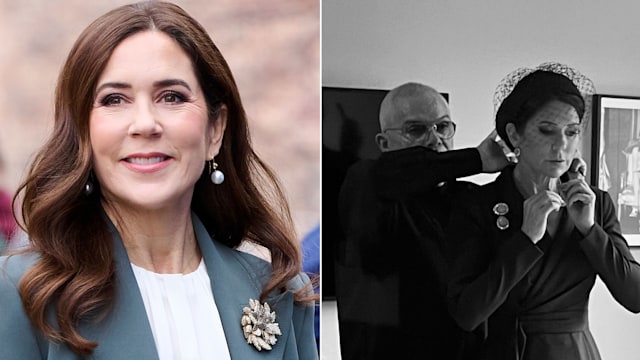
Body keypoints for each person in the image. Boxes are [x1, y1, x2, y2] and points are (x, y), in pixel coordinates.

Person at [0, 2, 318, 359]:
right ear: (83, 134)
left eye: (171, 97)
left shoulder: (280, 293)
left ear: (215, 129)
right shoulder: (21, 292)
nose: (145, 123)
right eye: (114, 99)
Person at [446, 62, 640, 360]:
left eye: (571, 132)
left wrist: (590, 230)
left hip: (573, 352)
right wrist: (525, 240)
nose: (561, 145)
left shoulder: (595, 203)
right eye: (546, 131)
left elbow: (634, 296)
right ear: (515, 135)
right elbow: (467, 314)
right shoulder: (478, 204)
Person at [335, 82, 509, 359]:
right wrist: (477, 158)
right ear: (383, 143)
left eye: (443, 127)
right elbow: (396, 172)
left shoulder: (470, 198)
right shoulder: (365, 183)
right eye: (416, 130)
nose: (434, 139)